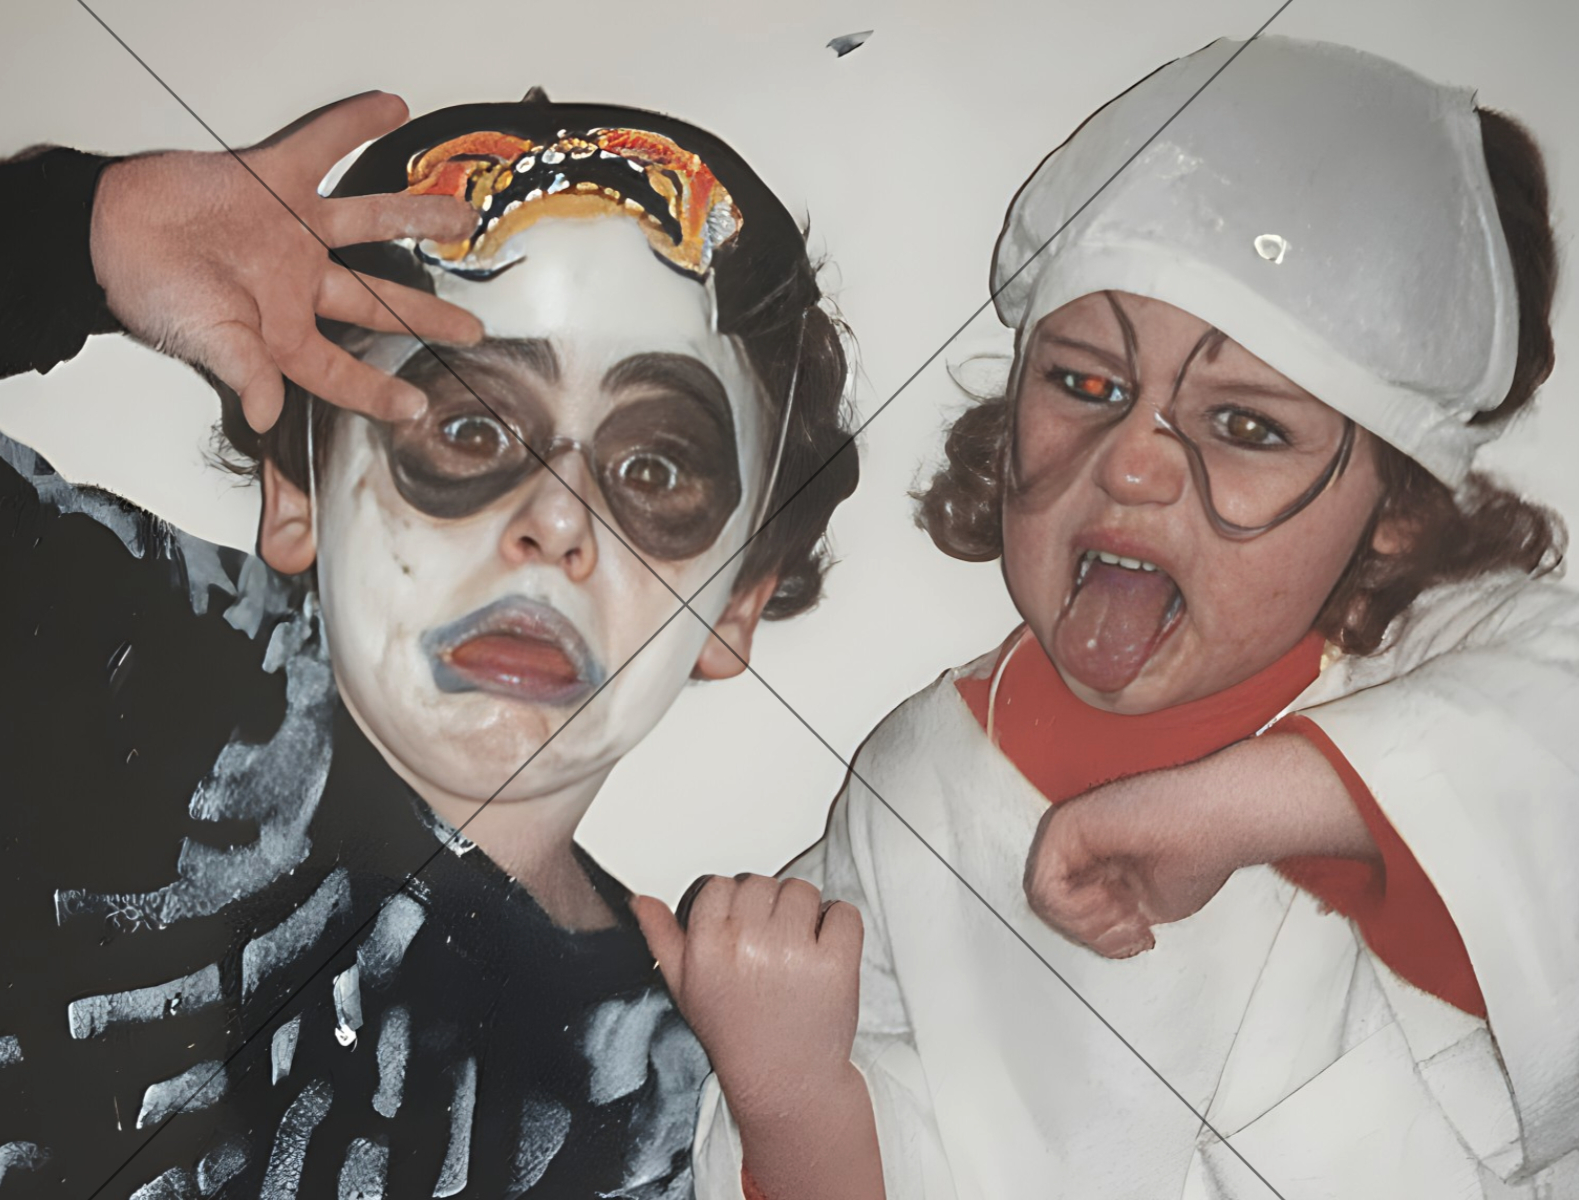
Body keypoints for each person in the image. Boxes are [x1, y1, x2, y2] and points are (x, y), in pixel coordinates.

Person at [0, 90, 858, 1197]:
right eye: (469, 428)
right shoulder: (144, 673)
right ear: (298, 495)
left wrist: (797, 1107)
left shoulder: (657, 1080)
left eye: (654, 469)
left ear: (737, 602)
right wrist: (80, 234)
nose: (555, 524)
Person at [636, 36, 1579, 1199]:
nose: (1133, 463)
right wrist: (791, 1095)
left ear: (1397, 509)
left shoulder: (1460, 664)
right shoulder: (916, 793)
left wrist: (1233, 808)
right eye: (1086, 385)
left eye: (1247, 426)